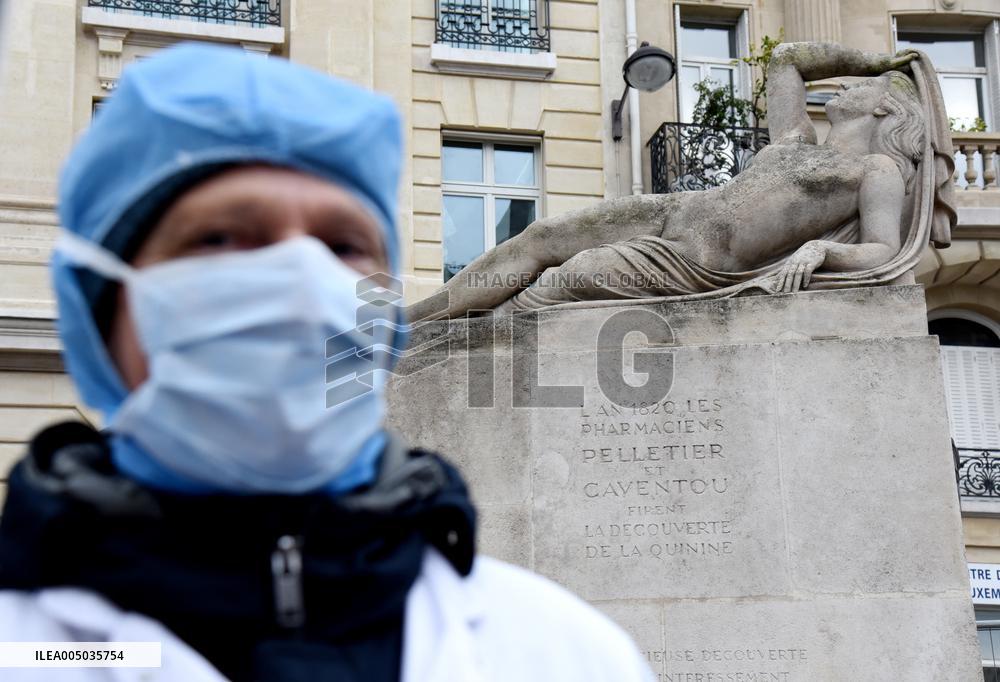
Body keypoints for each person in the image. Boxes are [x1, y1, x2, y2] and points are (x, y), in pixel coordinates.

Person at [0, 43, 654, 682]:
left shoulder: (567, 656)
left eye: (343, 245)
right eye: (220, 237)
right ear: (98, 307)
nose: (300, 278)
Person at [407, 42, 956, 320]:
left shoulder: (875, 170)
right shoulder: (797, 139)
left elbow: (883, 249)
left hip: (695, 264)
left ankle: (446, 346)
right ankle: (415, 320)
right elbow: (788, 60)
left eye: (863, 85)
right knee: (541, 235)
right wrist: (878, 61)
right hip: (676, 211)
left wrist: (822, 251)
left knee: (564, 279)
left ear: (885, 107)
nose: (845, 85)